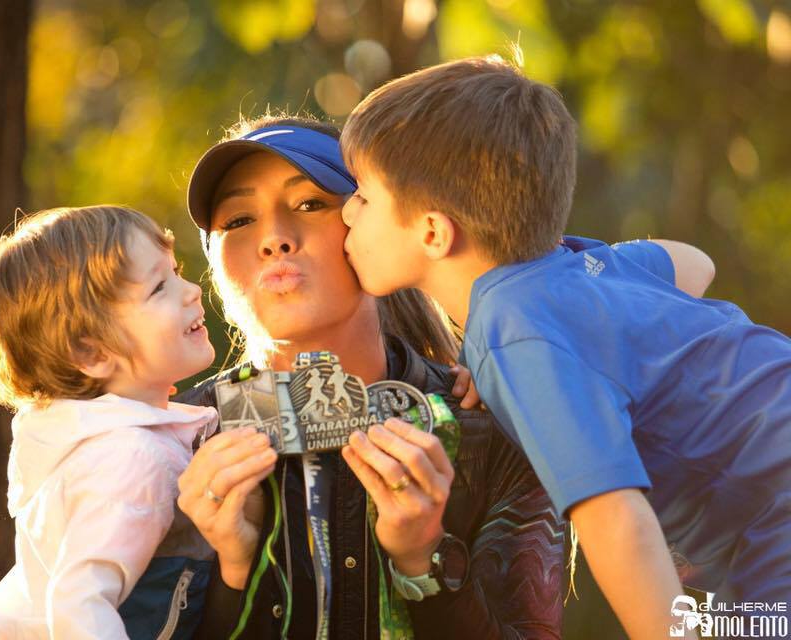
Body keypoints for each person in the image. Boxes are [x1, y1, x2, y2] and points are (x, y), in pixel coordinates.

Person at [339, 56, 791, 639]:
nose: (347, 211)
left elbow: (615, 519)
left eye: (364, 197)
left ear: (433, 232)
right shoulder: (570, 271)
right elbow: (693, 263)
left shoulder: (516, 331)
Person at [173, 114, 567, 640]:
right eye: (238, 220)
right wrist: (235, 572)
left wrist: (422, 560)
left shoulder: (491, 423)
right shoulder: (172, 438)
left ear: (372, 229)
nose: (273, 238)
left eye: (310, 204)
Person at [0, 206, 220, 639]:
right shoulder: (129, 460)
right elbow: (79, 602)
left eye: (176, 272)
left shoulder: (92, 443)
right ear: (93, 354)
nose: (191, 290)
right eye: (159, 288)